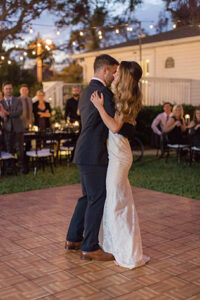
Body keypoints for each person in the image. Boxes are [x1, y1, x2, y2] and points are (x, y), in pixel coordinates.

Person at [90, 61, 150, 269]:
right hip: (118, 155)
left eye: (117, 73)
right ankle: (117, 246)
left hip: (120, 157)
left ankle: (127, 252)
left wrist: (99, 107)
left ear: (123, 76)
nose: (114, 75)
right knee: (119, 203)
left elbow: (115, 127)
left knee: (117, 204)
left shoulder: (126, 98)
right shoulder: (125, 95)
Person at [65, 54, 119, 261]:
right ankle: (89, 247)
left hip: (84, 150)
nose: (115, 76)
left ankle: (73, 238)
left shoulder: (88, 90)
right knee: (97, 198)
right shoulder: (103, 92)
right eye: (113, 72)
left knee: (87, 197)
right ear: (104, 70)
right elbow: (113, 121)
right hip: (93, 153)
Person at [1, 82, 24, 173]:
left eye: (10, 88)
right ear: (3, 90)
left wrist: (7, 113)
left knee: (20, 149)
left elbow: (19, 112)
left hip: (18, 129)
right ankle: (10, 168)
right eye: (6, 89)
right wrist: (5, 114)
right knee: (8, 149)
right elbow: (2, 116)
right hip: (7, 129)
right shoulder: (1, 102)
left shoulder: (18, 100)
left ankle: (21, 167)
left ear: (12, 89)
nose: (8, 90)